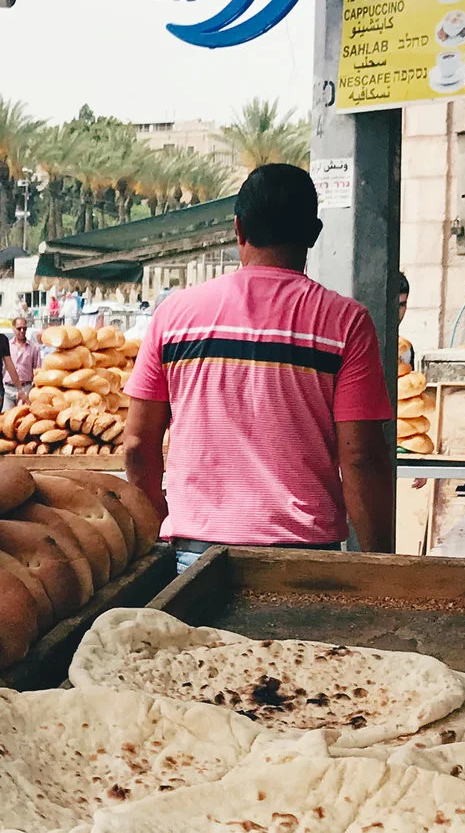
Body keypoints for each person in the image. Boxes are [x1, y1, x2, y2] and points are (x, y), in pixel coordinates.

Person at [121, 163, 396, 571]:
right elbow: (362, 459)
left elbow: (137, 448)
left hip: (193, 556)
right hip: (304, 560)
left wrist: (160, 523)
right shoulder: (346, 322)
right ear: (313, 234)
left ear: (238, 230)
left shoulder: (174, 315)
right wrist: (381, 567)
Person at [3, 315, 42, 409]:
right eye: (19, 328)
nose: (22, 331)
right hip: (8, 390)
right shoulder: (7, 346)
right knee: (6, 419)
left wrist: (32, 389)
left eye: (24, 329)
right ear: (13, 328)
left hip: (26, 388)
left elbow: (38, 370)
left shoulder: (33, 347)